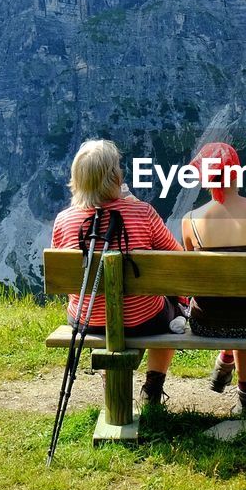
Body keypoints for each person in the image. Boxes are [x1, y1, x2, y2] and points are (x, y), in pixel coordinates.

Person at [51, 139, 181, 407]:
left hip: (87, 320)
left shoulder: (64, 220)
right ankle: (153, 389)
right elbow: (176, 259)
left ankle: (110, 386)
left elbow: (66, 279)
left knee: (94, 305)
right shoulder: (143, 212)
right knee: (173, 308)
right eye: (118, 168)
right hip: (143, 319)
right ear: (113, 178)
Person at [180, 142, 246, 418]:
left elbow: (192, 280)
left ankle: (226, 359)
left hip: (207, 323)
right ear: (238, 173)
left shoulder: (190, 220)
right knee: (245, 305)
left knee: (230, 305)